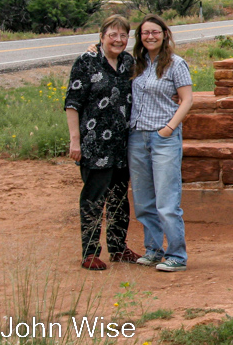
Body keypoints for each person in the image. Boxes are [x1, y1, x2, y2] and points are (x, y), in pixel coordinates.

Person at [65, 15, 139, 270]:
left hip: (122, 144)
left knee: (120, 198)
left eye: (123, 35)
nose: (118, 40)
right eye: (113, 34)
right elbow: (72, 103)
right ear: (101, 35)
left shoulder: (128, 62)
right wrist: (75, 141)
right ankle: (90, 252)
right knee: (94, 199)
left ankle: (118, 248)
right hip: (95, 144)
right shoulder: (86, 62)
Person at [128, 14, 194, 272]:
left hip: (163, 138)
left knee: (167, 201)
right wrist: (94, 47)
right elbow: (106, 53)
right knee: (144, 201)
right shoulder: (137, 64)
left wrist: (168, 129)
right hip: (136, 137)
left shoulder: (176, 64)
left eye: (155, 32)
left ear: (165, 34)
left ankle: (176, 255)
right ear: (140, 37)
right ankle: (154, 250)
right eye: (145, 33)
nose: (150, 36)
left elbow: (187, 99)